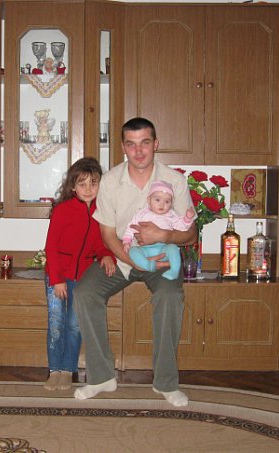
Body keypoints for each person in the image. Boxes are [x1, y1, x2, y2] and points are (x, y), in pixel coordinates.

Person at [73, 117, 197, 407]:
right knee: (85, 292)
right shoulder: (110, 181)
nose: (138, 151)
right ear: (123, 147)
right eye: (131, 144)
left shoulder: (175, 181)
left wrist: (164, 235)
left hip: (162, 258)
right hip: (123, 256)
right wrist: (132, 260)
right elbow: (107, 233)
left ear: (156, 144)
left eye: (145, 143)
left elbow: (191, 234)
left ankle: (165, 382)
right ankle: (101, 377)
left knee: (170, 296)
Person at [43, 157, 117, 391]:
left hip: (83, 278)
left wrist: (106, 255)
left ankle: (68, 370)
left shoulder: (101, 213)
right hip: (57, 275)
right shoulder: (62, 210)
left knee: (75, 325)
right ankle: (54, 370)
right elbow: (51, 247)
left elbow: (100, 244)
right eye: (82, 184)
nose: (88, 189)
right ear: (73, 187)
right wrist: (57, 280)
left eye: (93, 183)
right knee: (57, 323)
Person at [122, 180, 194, 280]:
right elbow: (131, 227)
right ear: (148, 200)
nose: (162, 204)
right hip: (145, 249)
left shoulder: (171, 215)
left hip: (164, 249)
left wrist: (187, 218)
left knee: (173, 248)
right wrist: (127, 241)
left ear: (171, 204)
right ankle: (147, 265)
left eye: (167, 201)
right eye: (157, 200)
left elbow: (181, 227)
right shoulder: (141, 213)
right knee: (133, 251)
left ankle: (174, 270)